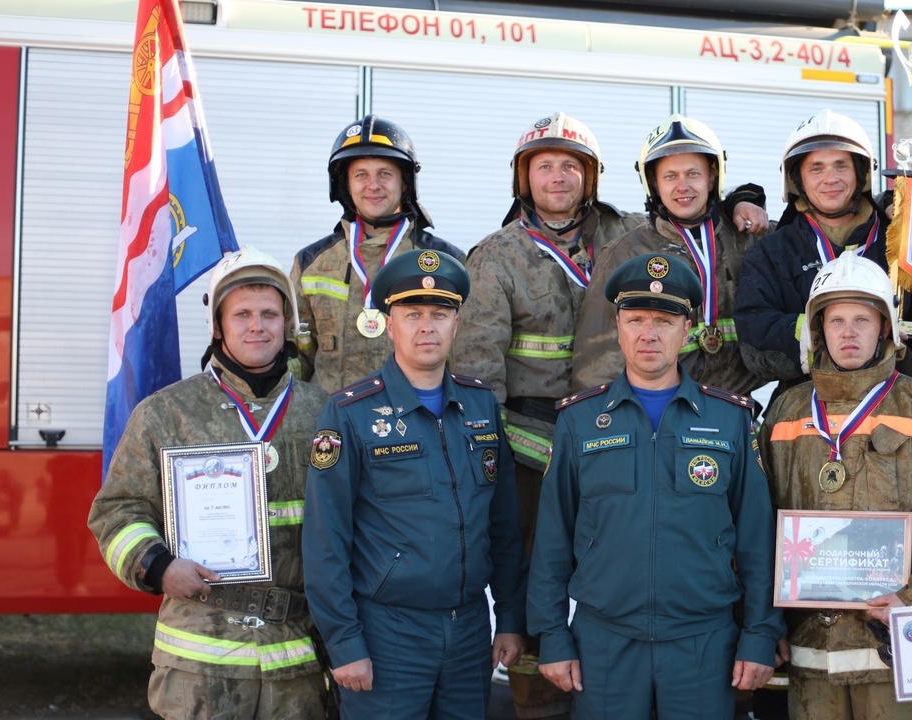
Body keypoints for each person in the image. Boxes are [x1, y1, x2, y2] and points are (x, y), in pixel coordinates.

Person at [451, 111, 767, 719]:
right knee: (540, 551)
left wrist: (744, 201)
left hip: (680, 424)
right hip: (541, 434)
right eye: (544, 166)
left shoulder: (627, 233)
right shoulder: (497, 254)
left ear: (592, 176)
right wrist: (598, 421)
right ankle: (541, 690)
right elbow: (481, 364)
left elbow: (695, 218)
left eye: (572, 165)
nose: (559, 177)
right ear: (523, 178)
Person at [528, 253, 784, 719]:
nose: (649, 334)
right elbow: (551, 538)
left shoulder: (730, 419)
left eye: (664, 321)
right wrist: (551, 633)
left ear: (687, 331)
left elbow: (757, 539)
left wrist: (762, 632)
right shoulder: (580, 421)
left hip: (703, 643)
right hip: (603, 642)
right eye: (636, 319)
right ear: (617, 327)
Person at [89, 247, 329, 719]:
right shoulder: (165, 414)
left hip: (297, 661)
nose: (257, 325)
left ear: (288, 325)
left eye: (269, 314)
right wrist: (158, 566)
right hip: (200, 662)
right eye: (241, 314)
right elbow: (117, 512)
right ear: (218, 327)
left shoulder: (326, 412)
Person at [302, 249, 526, 719]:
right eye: (412, 314)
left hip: (468, 629)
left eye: (440, 314)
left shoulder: (481, 407)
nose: (427, 326)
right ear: (389, 324)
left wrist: (508, 617)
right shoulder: (350, 413)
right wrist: (344, 642)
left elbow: (504, 526)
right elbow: (326, 540)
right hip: (388, 632)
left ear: (456, 324)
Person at [759, 251, 912, 720]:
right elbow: (758, 525)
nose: (848, 332)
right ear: (818, 330)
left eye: (862, 319)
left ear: (885, 328)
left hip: (896, 649)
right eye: (836, 319)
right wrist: (763, 622)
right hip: (807, 654)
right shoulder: (785, 412)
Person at [734, 109, 912, 398]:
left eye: (841, 165)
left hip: (894, 410)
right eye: (816, 168)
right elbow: (755, 339)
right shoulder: (771, 252)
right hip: (804, 414)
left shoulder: (899, 240)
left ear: (861, 173)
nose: (830, 178)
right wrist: (826, 330)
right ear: (796, 179)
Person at [571, 114, 768, 395]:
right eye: (670, 176)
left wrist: (744, 196)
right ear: (654, 184)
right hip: (663, 412)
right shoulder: (625, 253)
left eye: (693, 174)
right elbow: (598, 357)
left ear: (713, 178)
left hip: (736, 410)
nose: (682, 186)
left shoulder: (749, 238)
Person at [291, 114, 466, 394]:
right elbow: (298, 356)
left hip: (414, 426)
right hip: (331, 426)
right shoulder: (311, 263)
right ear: (345, 184)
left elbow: (463, 354)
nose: (373, 185)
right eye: (361, 175)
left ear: (405, 182)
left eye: (385, 173)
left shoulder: (445, 262)